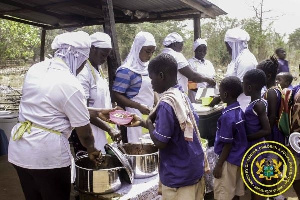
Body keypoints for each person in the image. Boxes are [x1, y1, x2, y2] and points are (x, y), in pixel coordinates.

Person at [8, 31, 102, 200]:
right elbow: (85, 135)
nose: (82, 68)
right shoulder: (70, 83)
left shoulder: (36, 68)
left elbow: (48, 107)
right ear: (78, 58)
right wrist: (92, 150)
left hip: (19, 150)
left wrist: (95, 112)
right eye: (83, 62)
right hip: (46, 156)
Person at [143, 53, 205, 200]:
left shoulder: (166, 103)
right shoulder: (180, 95)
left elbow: (160, 142)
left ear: (161, 75)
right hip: (193, 167)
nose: (151, 84)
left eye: (152, 79)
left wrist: (148, 123)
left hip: (179, 176)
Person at [71, 32, 121, 153]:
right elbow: (82, 110)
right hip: (87, 133)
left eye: (107, 55)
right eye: (103, 54)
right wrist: (109, 128)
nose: (104, 59)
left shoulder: (97, 70)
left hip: (101, 130)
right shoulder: (83, 74)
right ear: (92, 49)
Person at [112, 31, 156, 143]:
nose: (150, 55)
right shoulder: (126, 71)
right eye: (147, 51)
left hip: (148, 114)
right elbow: (116, 95)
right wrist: (139, 106)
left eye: (152, 52)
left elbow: (153, 88)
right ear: (138, 48)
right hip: (132, 117)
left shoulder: (148, 68)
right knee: (136, 147)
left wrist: (158, 104)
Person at [213, 76, 247, 200]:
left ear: (225, 94)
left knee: (224, 193)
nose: (219, 94)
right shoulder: (239, 110)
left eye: (220, 91)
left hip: (228, 161)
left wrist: (219, 165)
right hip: (238, 158)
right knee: (235, 191)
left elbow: (227, 144)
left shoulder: (227, 117)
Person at [243, 69, 271, 200]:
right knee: (261, 178)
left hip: (256, 147)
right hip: (259, 147)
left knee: (256, 182)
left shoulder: (258, 104)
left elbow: (266, 130)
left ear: (249, 87)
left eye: (243, 83)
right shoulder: (259, 102)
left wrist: (246, 137)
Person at [224, 27, 258, 111]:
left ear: (233, 44)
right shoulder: (237, 59)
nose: (227, 49)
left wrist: (221, 96)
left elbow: (242, 86)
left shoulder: (245, 59)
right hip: (237, 103)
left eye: (227, 46)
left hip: (244, 106)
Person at [257, 56, 286, 145]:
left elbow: (272, 116)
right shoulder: (276, 88)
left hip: (273, 131)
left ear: (268, 76)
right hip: (273, 129)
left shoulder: (271, 92)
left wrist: (266, 135)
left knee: (272, 155)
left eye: (260, 75)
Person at [188, 38, 215, 103]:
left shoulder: (208, 63)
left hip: (210, 95)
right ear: (195, 51)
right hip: (196, 96)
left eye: (204, 51)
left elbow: (213, 79)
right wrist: (204, 94)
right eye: (200, 51)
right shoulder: (190, 63)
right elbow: (190, 84)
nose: (202, 53)